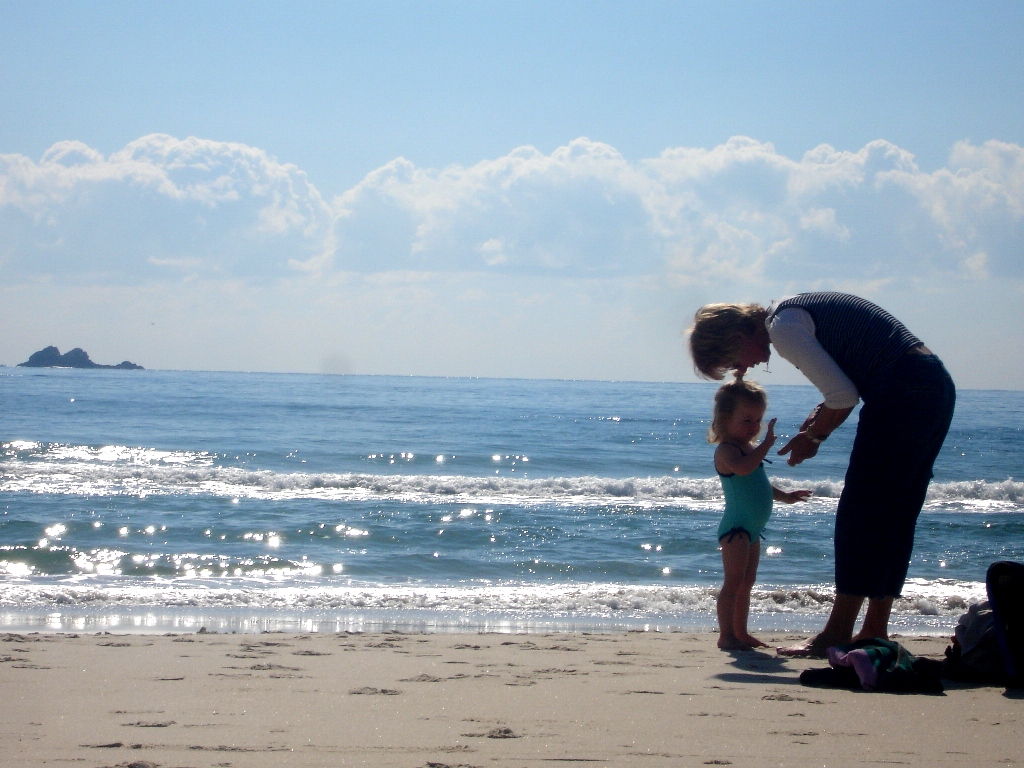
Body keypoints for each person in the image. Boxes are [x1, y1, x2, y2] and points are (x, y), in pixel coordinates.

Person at [689, 292, 956, 657]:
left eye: (732, 361)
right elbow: (846, 379)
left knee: (860, 512)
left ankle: (838, 633)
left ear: (736, 337)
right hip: (932, 383)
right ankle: (873, 629)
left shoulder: (782, 329)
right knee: (895, 514)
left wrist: (814, 436)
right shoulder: (793, 312)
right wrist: (820, 413)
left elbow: (842, 396)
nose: (741, 370)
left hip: (904, 389)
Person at [709, 376, 811, 651]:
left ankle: (741, 633)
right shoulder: (726, 450)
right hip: (736, 529)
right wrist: (766, 445)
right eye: (747, 420)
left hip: (753, 529)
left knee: (747, 582)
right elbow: (743, 470)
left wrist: (785, 496)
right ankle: (725, 634)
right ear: (724, 419)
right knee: (733, 583)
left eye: (758, 420)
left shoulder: (749, 448)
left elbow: (760, 483)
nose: (754, 427)